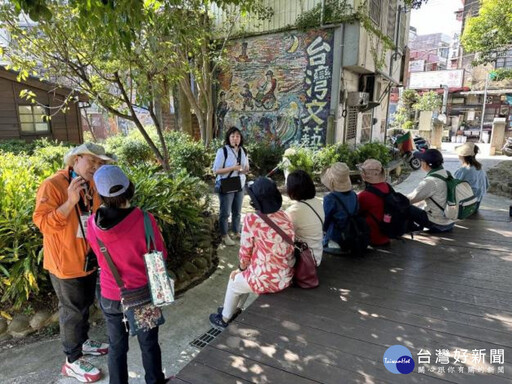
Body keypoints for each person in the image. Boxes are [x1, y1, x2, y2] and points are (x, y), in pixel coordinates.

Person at [33, 143, 112, 383]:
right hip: (64, 263)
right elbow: (43, 224)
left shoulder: (92, 183)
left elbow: (95, 218)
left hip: (87, 257)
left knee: (85, 304)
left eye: (100, 164)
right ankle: (72, 360)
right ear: (76, 159)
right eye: (92, 162)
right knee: (72, 312)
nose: (96, 167)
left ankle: (84, 341)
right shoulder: (53, 184)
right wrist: (69, 201)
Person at [86, 165, 168, 384]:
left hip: (111, 295)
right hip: (141, 296)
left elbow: (98, 254)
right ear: (129, 187)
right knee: (149, 344)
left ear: (101, 195)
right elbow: (161, 254)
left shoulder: (92, 224)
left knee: (116, 346)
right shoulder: (144, 219)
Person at [209, 177, 295, 329]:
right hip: (286, 274)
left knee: (234, 281)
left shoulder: (252, 219)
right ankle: (235, 309)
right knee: (245, 277)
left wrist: (240, 269)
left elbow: (245, 252)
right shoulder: (285, 216)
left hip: (268, 279)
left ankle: (224, 318)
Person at [212, 126, 250, 246]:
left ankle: (236, 231)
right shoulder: (223, 151)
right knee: (225, 212)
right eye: (232, 136)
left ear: (241, 138)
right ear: (228, 138)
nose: (235, 138)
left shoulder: (243, 151)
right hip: (226, 184)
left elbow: (245, 167)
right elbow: (216, 170)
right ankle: (224, 235)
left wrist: (245, 170)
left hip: (239, 184)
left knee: (237, 211)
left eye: (237, 136)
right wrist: (233, 168)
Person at [407, 149, 455, 233]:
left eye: (421, 160)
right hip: (450, 222)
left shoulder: (430, 181)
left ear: (426, 164)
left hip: (438, 224)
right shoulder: (447, 173)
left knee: (405, 206)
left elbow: (411, 199)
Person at [285, 170, 324, 265]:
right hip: (317, 254)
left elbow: (285, 236)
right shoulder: (317, 202)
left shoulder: (293, 211)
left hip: (304, 259)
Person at [321, 162, 358, 252]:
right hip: (353, 235)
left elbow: (324, 222)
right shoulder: (354, 195)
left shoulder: (330, 198)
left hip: (335, 239)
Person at [357, 159, 390, 246]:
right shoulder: (387, 187)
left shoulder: (364, 195)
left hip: (373, 238)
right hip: (387, 234)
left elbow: (356, 211)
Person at [454, 142, 489, 210]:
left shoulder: (464, 170)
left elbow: (454, 187)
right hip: (477, 203)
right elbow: (486, 185)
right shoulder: (479, 168)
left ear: (462, 155)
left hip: (467, 205)